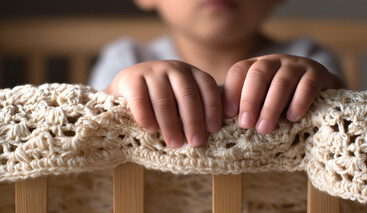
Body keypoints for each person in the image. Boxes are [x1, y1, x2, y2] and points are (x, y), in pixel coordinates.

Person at [89, 0, 345, 149]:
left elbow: (349, 136)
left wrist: (325, 90)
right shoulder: (126, 60)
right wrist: (116, 92)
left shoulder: (309, 59)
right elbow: (91, 136)